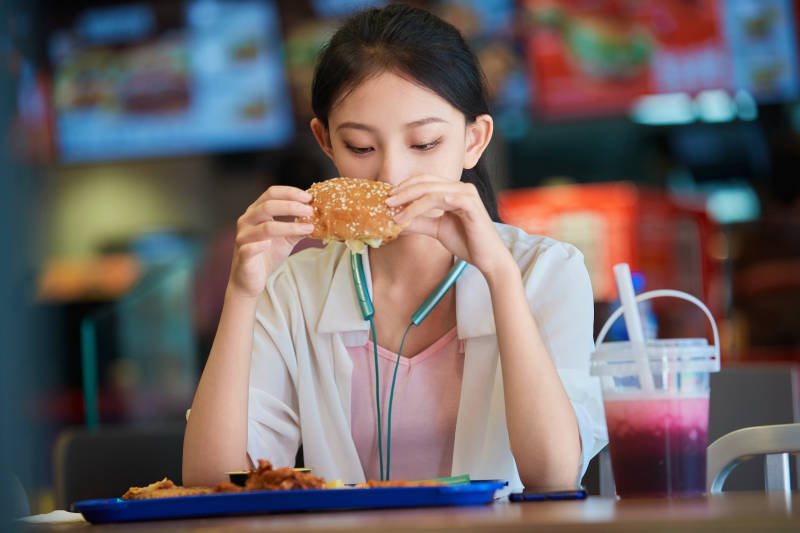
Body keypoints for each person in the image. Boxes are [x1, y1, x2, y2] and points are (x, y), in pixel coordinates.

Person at [183, 4, 606, 492]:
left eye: (423, 143)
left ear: (474, 140)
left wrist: (500, 274)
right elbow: (213, 482)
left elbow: (553, 476)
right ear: (325, 142)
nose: (391, 175)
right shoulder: (294, 287)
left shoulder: (547, 271)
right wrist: (242, 293)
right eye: (361, 148)